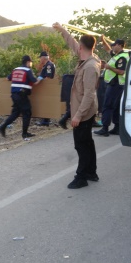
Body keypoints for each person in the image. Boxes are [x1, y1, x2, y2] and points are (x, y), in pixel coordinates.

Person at [52, 22, 101, 189]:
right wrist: (62, 30)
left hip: (84, 111)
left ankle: (81, 177)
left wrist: (78, 115)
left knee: (81, 145)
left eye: (78, 45)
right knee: (87, 142)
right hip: (84, 109)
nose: (76, 47)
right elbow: (72, 43)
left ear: (82, 47)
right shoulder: (88, 58)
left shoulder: (90, 67)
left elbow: (89, 94)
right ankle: (91, 172)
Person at [0, 55, 38, 139]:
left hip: (14, 95)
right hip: (22, 95)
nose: (31, 64)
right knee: (27, 112)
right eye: (31, 62)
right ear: (28, 62)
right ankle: (24, 134)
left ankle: (2, 127)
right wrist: (39, 78)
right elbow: (34, 81)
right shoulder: (28, 70)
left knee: (15, 113)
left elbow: (8, 79)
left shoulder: (15, 69)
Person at [94, 37, 129, 137]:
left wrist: (109, 67)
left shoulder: (122, 57)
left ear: (120, 45)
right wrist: (103, 40)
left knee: (107, 105)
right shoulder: (117, 55)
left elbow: (121, 71)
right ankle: (117, 128)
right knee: (116, 106)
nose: (113, 47)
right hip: (115, 84)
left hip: (116, 84)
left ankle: (105, 128)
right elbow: (107, 49)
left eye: (115, 45)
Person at [35, 51, 56, 126]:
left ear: (43, 58)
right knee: (46, 103)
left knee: (45, 103)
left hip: (47, 88)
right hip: (46, 87)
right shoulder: (47, 65)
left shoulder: (49, 65)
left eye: (40, 58)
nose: (40, 60)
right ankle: (45, 120)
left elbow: (48, 77)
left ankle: (46, 121)